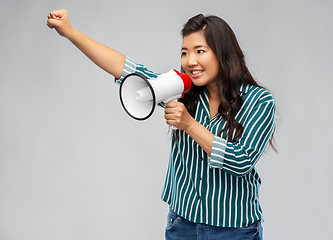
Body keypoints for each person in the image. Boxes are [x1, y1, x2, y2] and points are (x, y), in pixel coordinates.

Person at [47, 9, 276, 240]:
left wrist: (190, 125)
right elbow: (124, 67)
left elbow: (241, 161)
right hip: (182, 224)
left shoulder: (259, 101)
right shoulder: (182, 92)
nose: (190, 61)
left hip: (235, 230)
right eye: (184, 53)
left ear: (222, 53)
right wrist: (70, 31)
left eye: (200, 51)